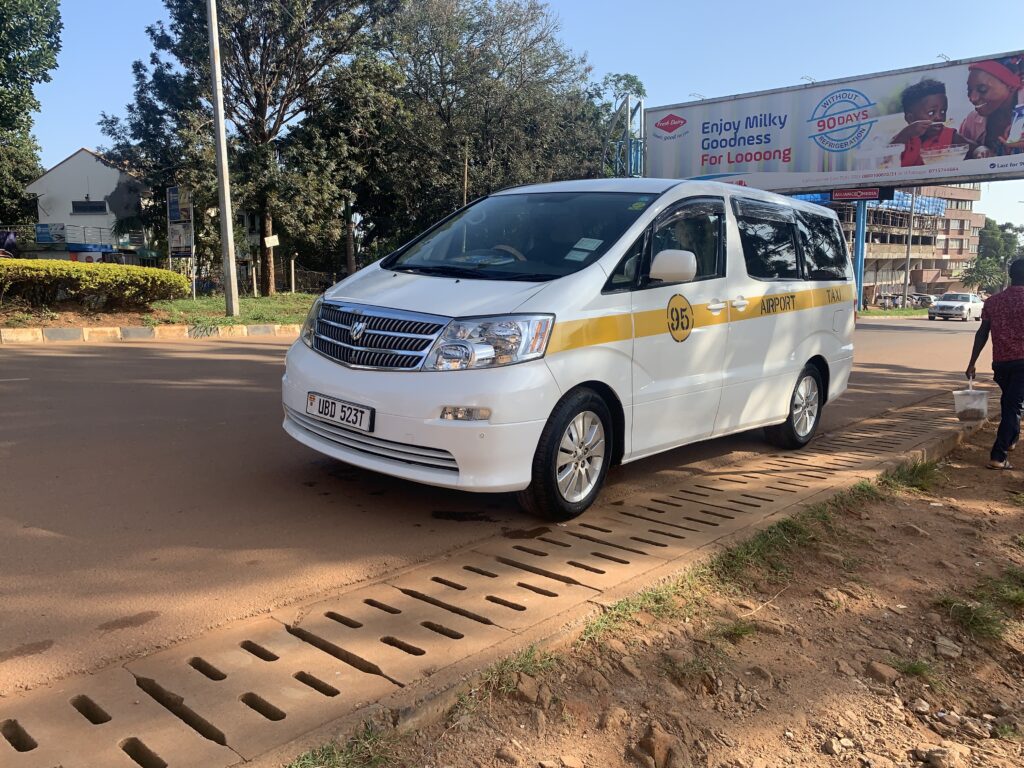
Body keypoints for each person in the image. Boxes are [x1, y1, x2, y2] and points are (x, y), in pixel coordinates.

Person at [965, 259, 1024, 469]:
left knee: (1010, 403)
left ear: (1010, 275)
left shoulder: (993, 302)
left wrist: (972, 363)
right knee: (1013, 406)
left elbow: (982, 333)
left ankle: (1011, 440)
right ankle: (998, 456)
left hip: (1001, 364)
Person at [891, 79, 970, 166]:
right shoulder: (902, 139)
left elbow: (974, 148)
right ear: (911, 119)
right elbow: (884, 160)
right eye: (931, 113)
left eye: (943, 111)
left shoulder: (950, 136)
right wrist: (905, 134)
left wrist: (980, 150)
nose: (939, 117)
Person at [960, 56, 1024, 158]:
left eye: (982, 89)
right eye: (969, 90)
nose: (973, 98)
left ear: (1010, 86)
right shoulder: (971, 121)